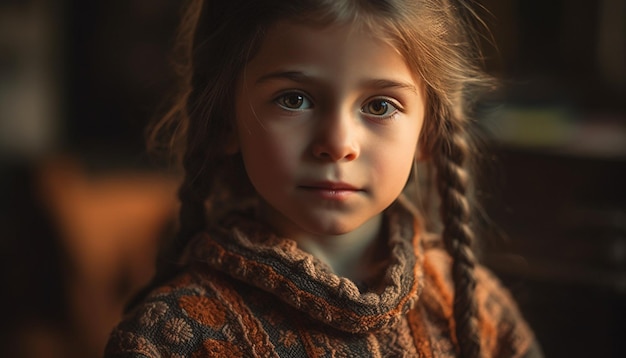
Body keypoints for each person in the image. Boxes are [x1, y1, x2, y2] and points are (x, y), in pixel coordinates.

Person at [105, 0, 542, 356]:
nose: (337, 143)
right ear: (225, 123)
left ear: (429, 133)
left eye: (379, 106)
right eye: (294, 99)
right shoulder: (172, 337)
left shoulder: (473, 313)